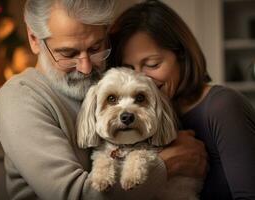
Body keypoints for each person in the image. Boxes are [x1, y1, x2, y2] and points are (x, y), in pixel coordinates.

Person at [0, 0, 207, 199]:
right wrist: (169, 164)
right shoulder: (20, 97)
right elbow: (75, 195)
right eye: (68, 53)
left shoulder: (106, 80)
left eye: (96, 48)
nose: (86, 68)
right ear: (34, 39)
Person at [109, 0, 255, 199]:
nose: (140, 80)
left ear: (182, 56)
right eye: (128, 69)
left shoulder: (223, 107)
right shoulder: (133, 121)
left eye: (152, 64)